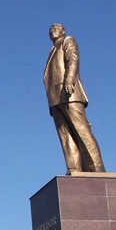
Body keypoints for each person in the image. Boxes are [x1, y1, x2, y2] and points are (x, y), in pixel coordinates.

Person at [43, 23, 105, 175]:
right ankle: (74, 169)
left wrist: (69, 80)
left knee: (82, 130)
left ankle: (97, 168)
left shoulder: (68, 40)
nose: (52, 30)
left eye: (56, 28)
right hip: (55, 98)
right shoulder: (52, 50)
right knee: (66, 135)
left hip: (69, 93)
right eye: (50, 29)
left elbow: (73, 60)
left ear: (63, 31)